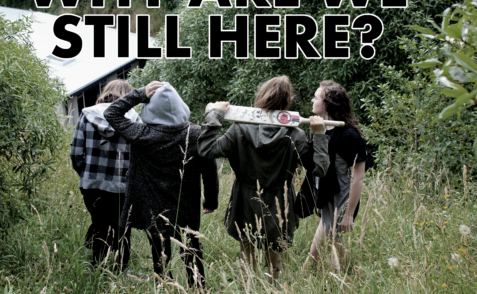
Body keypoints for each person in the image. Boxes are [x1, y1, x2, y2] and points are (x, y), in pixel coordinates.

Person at [197, 76, 329, 283]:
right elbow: (320, 169)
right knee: (274, 255)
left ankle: (249, 288)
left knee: (247, 251)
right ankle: (272, 288)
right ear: (287, 101)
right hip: (279, 203)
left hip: (245, 200)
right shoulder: (295, 135)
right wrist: (319, 135)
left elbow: (206, 149)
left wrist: (214, 114)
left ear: (261, 97)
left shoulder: (239, 129)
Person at [103, 81, 219, 288]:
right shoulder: (197, 134)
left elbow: (111, 113)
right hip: (187, 206)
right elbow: (210, 172)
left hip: (153, 208)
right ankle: (198, 288)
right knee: (192, 249)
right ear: (181, 106)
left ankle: (164, 286)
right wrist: (211, 200)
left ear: (150, 109)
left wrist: (139, 94)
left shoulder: (141, 134)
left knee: (159, 250)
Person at [70, 80, 141, 269]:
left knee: (100, 223)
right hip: (123, 186)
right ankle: (121, 268)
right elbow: (140, 155)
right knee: (122, 228)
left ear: (106, 92)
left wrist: (85, 174)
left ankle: (98, 266)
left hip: (92, 185)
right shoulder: (134, 118)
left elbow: (76, 153)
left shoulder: (86, 115)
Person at [309, 80, 367, 272]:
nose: (312, 100)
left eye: (316, 97)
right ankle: (343, 278)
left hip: (341, 201)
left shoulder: (349, 136)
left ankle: (312, 275)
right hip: (326, 197)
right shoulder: (321, 129)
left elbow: (358, 177)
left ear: (326, 103)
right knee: (336, 241)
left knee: (315, 253)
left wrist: (349, 214)